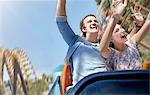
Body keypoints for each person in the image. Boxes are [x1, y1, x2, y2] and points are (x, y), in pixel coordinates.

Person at [56, 0, 108, 86]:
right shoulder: (76, 42)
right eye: (90, 21)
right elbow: (61, 22)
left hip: (104, 85)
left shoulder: (105, 46)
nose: (93, 23)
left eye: (95, 21)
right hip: (84, 87)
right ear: (84, 29)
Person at [100, 0, 150, 70]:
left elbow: (148, 22)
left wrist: (139, 23)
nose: (123, 30)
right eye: (117, 30)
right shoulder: (111, 55)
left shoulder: (131, 44)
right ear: (110, 39)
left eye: (121, 28)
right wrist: (115, 18)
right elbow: (102, 49)